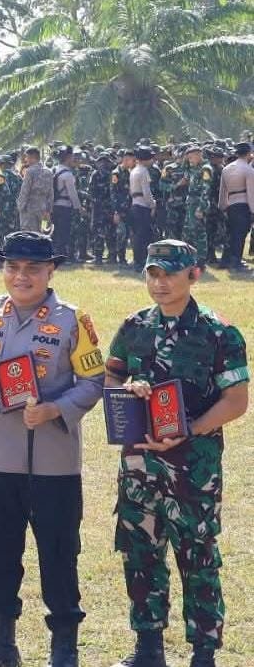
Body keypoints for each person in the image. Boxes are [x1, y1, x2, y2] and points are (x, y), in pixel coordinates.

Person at [0, 231, 104, 667]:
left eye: (32, 269)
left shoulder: (71, 320)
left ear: (50, 271)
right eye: (13, 267)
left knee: (59, 552)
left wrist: (55, 408)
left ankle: (64, 647)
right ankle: (1, 643)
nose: (21, 276)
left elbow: (93, 381)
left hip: (53, 461)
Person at [104, 239, 248, 667]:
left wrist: (190, 430)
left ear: (194, 275)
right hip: (139, 466)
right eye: (153, 273)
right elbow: (110, 379)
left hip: (193, 467)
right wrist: (127, 390)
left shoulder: (218, 333)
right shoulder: (134, 327)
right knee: (140, 553)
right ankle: (148, 647)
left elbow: (236, 400)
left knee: (198, 556)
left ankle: (203, 652)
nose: (160, 282)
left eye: (170, 273)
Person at [217, 142, 253, 270]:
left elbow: (223, 190)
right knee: (240, 235)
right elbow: (251, 192)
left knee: (230, 234)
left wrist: (222, 206)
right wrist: (253, 210)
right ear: (248, 153)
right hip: (244, 205)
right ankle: (236, 261)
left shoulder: (226, 169)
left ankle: (225, 260)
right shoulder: (248, 170)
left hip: (231, 204)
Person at [129, 147, 157, 269]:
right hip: (143, 206)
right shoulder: (144, 171)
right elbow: (146, 192)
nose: (152, 160)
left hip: (135, 204)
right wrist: (153, 204)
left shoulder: (134, 170)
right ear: (145, 159)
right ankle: (141, 262)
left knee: (138, 235)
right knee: (144, 235)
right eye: (150, 158)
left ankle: (137, 261)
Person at [17, 147, 53, 232]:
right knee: (43, 232)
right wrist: (49, 210)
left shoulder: (30, 171)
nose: (26, 160)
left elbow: (25, 191)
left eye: (27, 157)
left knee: (29, 234)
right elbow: (51, 193)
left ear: (33, 157)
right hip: (44, 210)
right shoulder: (48, 172)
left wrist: (20, 207)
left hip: (30, 210)